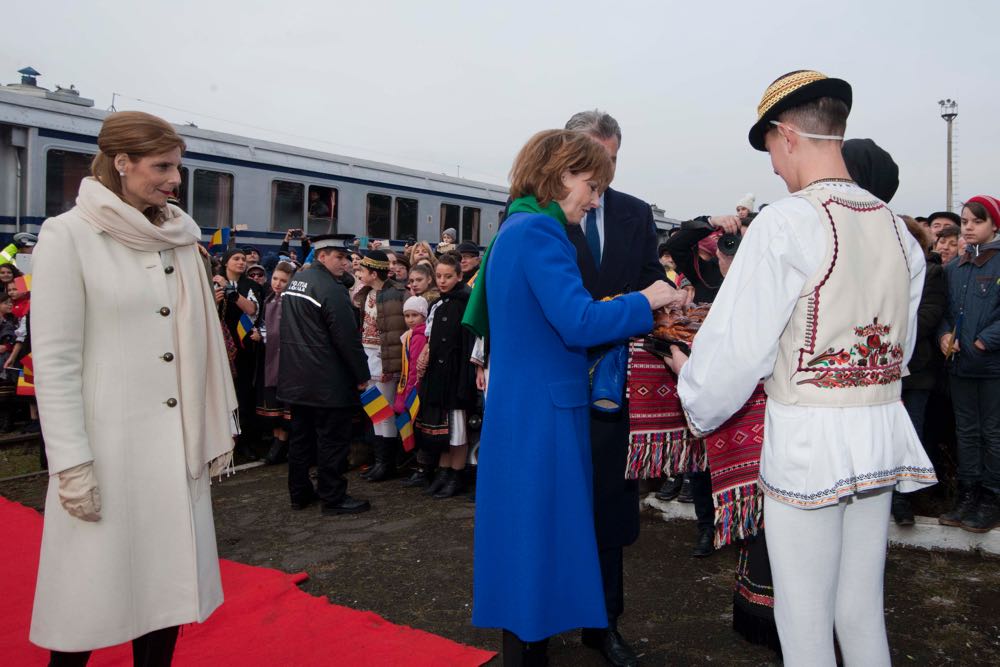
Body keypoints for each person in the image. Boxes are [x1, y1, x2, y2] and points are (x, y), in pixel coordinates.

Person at [668, 71, 935, 665]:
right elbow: (905, 344)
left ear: (787, 136)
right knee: (860, 606)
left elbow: (737, 350)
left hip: (809, 437)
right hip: (878, 429)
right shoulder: (901, 232)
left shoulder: (788, 222)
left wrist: (697, 401)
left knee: (802, 615)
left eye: (768, 150)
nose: (771, 167)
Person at [29, 110, 238, 665]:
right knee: (85, 607)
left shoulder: (176, 236)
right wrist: (71, 464)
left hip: (174, 455)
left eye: (178, 167)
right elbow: (55, 361)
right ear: (122, 163)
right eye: (163, 166)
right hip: (107, 453)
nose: (175, 180)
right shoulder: (67, 235)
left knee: (166, 601)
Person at [468, 128, 679, 666]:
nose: (594, 198)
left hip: (526, 408)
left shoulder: (515, 228)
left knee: (528, 535)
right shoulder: (540, 233)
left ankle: (528, 643)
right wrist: (646, 298)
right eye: (590, 184)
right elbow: (578, 321)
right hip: (545, 412)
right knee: (537, 534)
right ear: (561, 174)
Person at [554, 109, 668, 665]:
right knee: (553, 502)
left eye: (615, 159)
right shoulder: (539, 215)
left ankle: (605, 624)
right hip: (556, 379)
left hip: (613, 386)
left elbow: (652, 275)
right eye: (597, 159)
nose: (607, 172)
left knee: (608, 506)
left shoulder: (634, 213)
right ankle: (546, 613)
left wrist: (667, 291)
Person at [278, 234, 372, 515]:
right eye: (339, 257)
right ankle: (333, 497)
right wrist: (361, 373)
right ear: (322, 256)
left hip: (297, 376)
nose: (346, 263)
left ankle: (299, 493)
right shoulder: (329, 289)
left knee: (301, 440)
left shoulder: (298, 281)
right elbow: (346, 337)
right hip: (327, 380)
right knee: (332, 441)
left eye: (346, 258)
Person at [937, 195, 1000, 533]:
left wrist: (984, 340)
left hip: (991, 368)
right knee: (967, 432)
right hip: (960, 366)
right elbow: (944, 312)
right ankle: (967, 495)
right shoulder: (954, 268)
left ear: (994, 225)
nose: (970, 228)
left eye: (978, 221)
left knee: (992, 432)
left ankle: (991, 498)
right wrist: (945, 336)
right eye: (965, 222)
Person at [417, 253, 477, 499]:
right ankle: (443, 472)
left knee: (457, 430)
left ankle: (456, 474)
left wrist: (469, 377)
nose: (442, 281)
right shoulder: (437, 304)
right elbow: (432, 337)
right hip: (438, 374)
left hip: (457, 373)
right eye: (439, 276)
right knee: (441, 429)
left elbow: (471, 343)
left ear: (460, 276)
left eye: (448, 276)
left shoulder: (466, 303)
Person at [354, 250, 407, 482]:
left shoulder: (396, 294)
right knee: (375, 411)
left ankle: (387, 463)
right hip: (368, 357)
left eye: (362, 271)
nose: (359, 274)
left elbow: (398, 333)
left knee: (385, 412)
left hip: (384, 359)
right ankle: (380, 461)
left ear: (373, 273)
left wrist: (392, 367)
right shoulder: (365, 294)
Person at [214, 248, 263, 459]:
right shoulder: (213, 283)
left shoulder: (249, 285)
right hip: (218, 345)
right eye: (236, 259)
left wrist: (232, 293)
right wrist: (214, 299)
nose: (241, 262)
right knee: (219, 394)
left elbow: (252, 309)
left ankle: (244, 442)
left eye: (243, 259)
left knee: (243, 394)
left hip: (242, 346)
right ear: (226, 263)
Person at [255, 261, 296, 465]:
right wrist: (260, 335)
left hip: (287, 359)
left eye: (283, 280)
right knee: (273, 405)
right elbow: (265, 326)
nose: (278, 284)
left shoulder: (291, 302)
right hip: (270, 357)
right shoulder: (269, 299)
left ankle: (282, 444)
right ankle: (277, 440)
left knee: (286, 405)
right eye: (275, 279)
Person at [396, 296, 431, 486]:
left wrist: (408, 394)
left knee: (417, 431)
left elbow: (414, 371)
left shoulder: (418, 338)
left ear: (423, 316)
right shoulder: (410, 335)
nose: (410, 319)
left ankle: (421, 468)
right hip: (409, 389)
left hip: (413, 391)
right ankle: (417, 466)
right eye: (407, 315)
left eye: (414, 315)